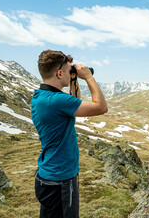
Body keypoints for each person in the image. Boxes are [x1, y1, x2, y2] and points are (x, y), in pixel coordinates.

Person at [31, 49, 108, 218]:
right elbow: (101, 107)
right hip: (61, 180)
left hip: (48, 176)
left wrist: (73, 80)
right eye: (67, 70)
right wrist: (88, 76)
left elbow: (73, 105)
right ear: (59, 73)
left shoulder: (41, 97)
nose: (69, 73)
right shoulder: (58, 101)